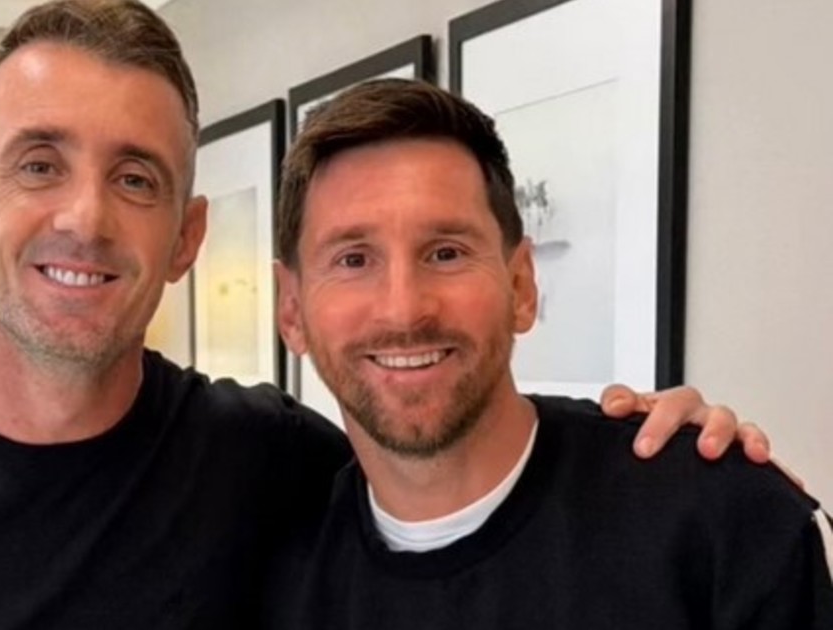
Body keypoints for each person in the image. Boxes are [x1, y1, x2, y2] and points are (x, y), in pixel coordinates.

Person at [0, 2, 773, 629]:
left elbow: (448, 466)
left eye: (137, 178)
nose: (85, 218)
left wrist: (666, 450)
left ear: (188, 237)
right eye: (39, 163)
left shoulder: (271, 466)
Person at [267, 77, 833, 629]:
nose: (404, 309)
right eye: (353, 260)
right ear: (291, 311)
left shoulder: (723, 522)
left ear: (521, 286)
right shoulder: (268, 570)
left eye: (446, 253)